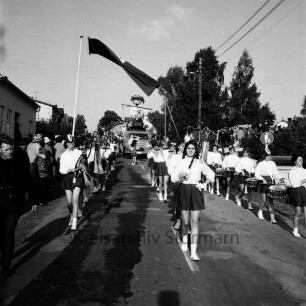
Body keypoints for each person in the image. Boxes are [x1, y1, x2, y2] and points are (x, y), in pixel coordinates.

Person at [172, 140, 215, 261]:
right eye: (189, 148)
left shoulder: (200, 162)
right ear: (185, 149)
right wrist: (182, 175)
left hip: (196, 191)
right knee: (185, 222)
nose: (191, 150)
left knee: (194, 221)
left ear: (195, 150)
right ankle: (185, 241)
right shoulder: (181, 162)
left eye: (193, 148)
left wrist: (204, 183)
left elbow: (211, 174)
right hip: (184, 190)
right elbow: (173, 177)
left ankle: (194, 252)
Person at [0, 134, 31, 276]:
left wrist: (31, 199)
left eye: (11, 149)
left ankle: (6, 265)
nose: (10, 152)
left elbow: (27, 180)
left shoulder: (18, 162)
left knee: (8, 233)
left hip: (13, 205)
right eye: (7, 150)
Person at [59, 134, 83, 230]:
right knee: (69, 202)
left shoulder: (79, 152)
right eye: (69, 144)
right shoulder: (63, 155)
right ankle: (71, 215)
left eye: (73, 143)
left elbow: (84, 162)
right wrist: (69, 169)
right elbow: (61, 169)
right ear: (66, 144)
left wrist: (82, 167)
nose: (71, 145)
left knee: (75, 199)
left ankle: (74, 221)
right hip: (67, 177)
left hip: (78, 177)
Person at [255, 152, 281, 223]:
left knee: (270, 201)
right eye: (267, 156)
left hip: (271, 183)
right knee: (264, 200)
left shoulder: (272, 163)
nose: (269, 158)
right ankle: (260, 211)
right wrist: (262, 179)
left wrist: (279, 178)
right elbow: (256, 173)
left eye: (270, 156)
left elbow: (275, 172)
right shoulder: (260, 164)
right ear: (264, 156)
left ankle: (272, 218)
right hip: (263, 183)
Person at [288, 154, 306, 237]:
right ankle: (295, 230)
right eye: (299, 160)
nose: (301, 161)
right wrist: (304, 180)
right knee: (298, 212)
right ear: (295, 161)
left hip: (304, 191)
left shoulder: (305, 171)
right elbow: (294, 184)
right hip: (297, 192)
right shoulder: (291, 172)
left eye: (302, 160)